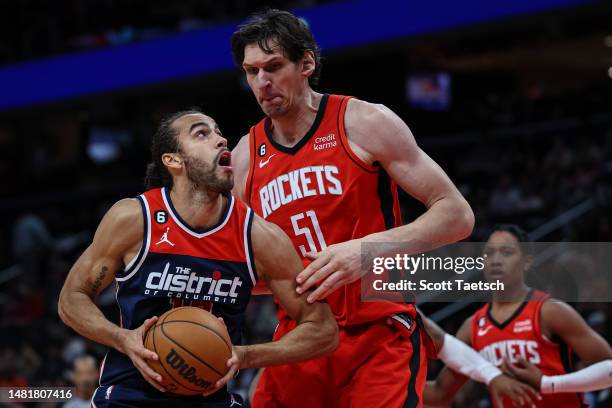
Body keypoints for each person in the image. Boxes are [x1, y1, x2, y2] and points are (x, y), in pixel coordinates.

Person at [230, 9, 536, 408]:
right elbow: (242, 270)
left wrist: (365, 251)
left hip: (377, 330)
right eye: (252, 72)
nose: (262, 82)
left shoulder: (361, 121)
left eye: (273, 67)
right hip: (300, 337)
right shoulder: (244, 158)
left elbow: (456, 215)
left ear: (306, 63)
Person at [58, 109, 338, 408]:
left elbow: (323, 330)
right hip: (131, 396)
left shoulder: (258, 236)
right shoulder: (135, 219)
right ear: (173, 160)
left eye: (218, 132)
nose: (220, 139)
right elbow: (71, 298)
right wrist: (121, 337)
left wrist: (246, 355)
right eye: (202, 133)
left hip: (211, 397)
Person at [424, 224, 612, 407]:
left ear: (527, 261)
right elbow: (440, 395)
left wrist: (549, 383)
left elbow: (609, 367)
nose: (496, 260)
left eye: (507, 252)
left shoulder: (549, 311)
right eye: (489, 253)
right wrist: (394, 380)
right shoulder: (472, 327)